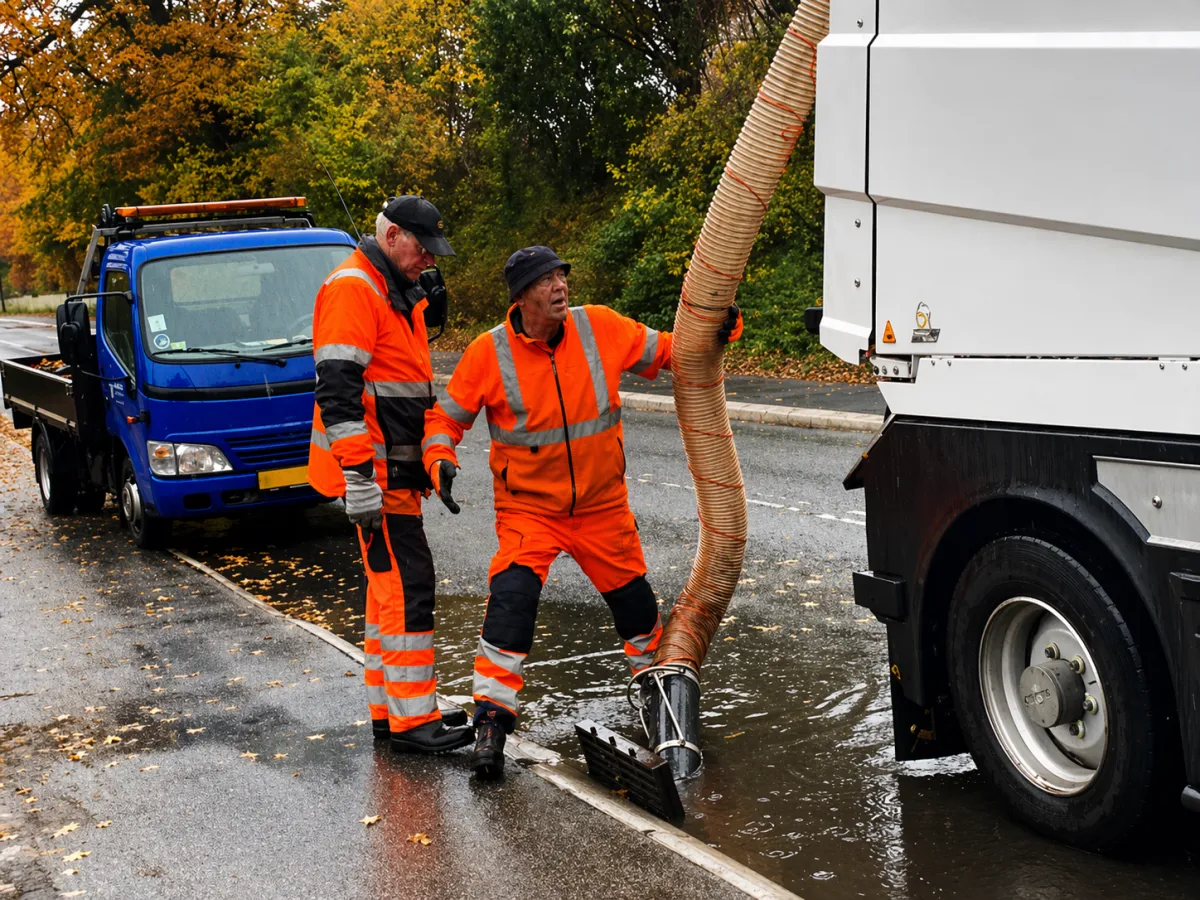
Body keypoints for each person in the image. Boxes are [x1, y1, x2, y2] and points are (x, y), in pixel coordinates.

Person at [421, 246, 742, 778]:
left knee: (639, 615)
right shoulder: (489, 354)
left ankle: (659, 709)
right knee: (511, 604)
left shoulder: (600, 328)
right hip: (530, 513)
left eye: (561, 276)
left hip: (602, 509)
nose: (559, 286)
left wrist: (719, 328)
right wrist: (439, 458)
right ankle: (491, 726)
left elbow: (672, 352)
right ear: (521, 297)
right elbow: (445, 419)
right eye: (546, 280)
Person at [308, 196, 473, 754]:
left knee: (388, 598)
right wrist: (359, 481)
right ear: (393, 234)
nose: (429, 258)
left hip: (396, 477)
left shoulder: (404, 295)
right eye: (422, 247)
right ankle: (412, 721)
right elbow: (338, 395)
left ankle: (390, 713)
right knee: (408, 590)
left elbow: (415, 397)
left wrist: (436, 460)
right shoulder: (356, 289)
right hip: (375, 481)